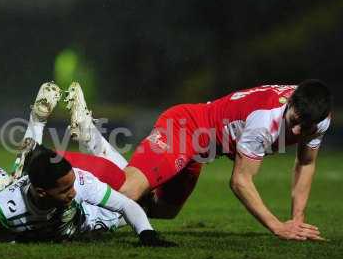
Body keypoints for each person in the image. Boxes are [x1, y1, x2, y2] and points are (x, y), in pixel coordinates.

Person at [76, 80, 332, 241]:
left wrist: (297, 220)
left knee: (163, 210)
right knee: (129, 190)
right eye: (294, 122)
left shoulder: (318, 118)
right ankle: (72, 183)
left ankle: (93, 143)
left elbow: (306, 163)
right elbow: (240, 181)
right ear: (290, 102)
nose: (297, 132)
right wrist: (277, 226)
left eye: (305, 127)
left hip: (201, 149)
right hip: (185, 129)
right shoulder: (265, 122)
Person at [0, 82, 174, 246]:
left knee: (137, 193)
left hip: (93, 211)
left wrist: (147, 235)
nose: (71, 192)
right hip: (64, 205)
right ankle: (78, 129)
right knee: (141, 192)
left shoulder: (79, 184)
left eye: (70, 186)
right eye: (65, 188)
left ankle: (60, 127)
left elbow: (127, 205)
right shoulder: (3, 206)